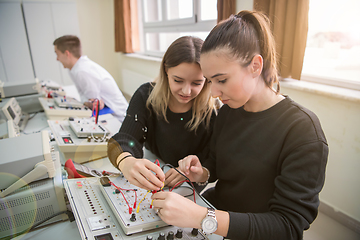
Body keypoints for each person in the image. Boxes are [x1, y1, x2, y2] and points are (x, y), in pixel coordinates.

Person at [150, 10, 329, 240]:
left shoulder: (302, 131)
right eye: (210, 81)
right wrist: (202, 171)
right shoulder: (229, 111)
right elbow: (217, 161)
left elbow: (287, 226)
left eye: (222, 80)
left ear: (255, 66)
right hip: (215, 218)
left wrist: (203, 217)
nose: (213, 92)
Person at [107, 36, 218, 190]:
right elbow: (125, 139)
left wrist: (192, 172)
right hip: (154, 169)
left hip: (188, 186)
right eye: (178, 80)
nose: (186, 91)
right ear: (166, 70)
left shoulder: (212, 112)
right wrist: (126, 160)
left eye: (197, 83)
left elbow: (211, 161)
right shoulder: (145, 96)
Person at [53, 35, 128, 122]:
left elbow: (95, 105)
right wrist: (85, 102)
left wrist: (86, 102)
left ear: (67, 53)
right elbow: (85, 98)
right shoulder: (74, 69)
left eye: (57, 54)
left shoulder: (83, 71)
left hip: (118, 118)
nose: (57, 59)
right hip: (107, 113)